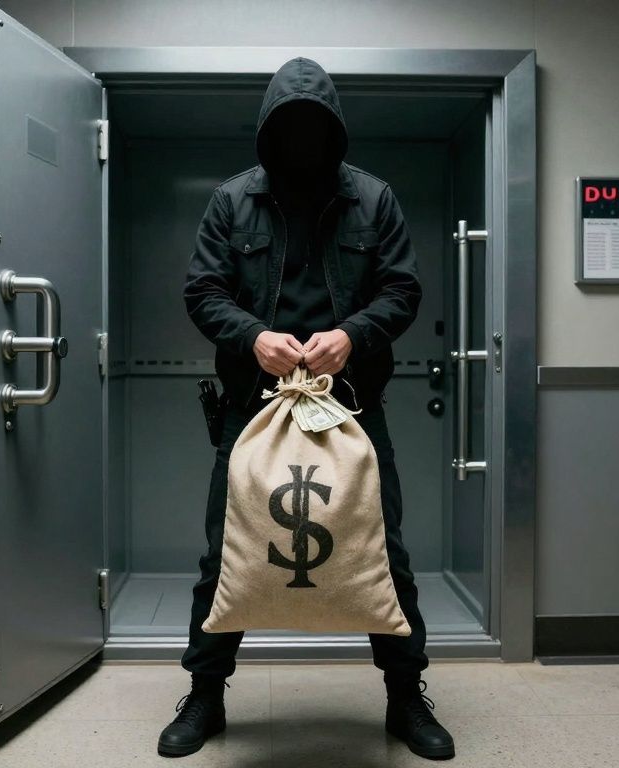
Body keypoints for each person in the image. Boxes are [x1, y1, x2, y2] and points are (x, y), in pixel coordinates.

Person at [159, 57, 454, 760]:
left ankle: (405, 696)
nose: (300, 142)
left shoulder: (372, 200)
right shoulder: (233, 201)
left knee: (385, 550)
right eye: (286, 130)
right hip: (251, 404)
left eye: (313, 129)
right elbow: (203, 291)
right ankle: (205, 696)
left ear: (334, 132)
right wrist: (252, 336)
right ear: (268, 133)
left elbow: (402, 291)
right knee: (223, 552)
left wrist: (350, 337)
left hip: (350, 404)